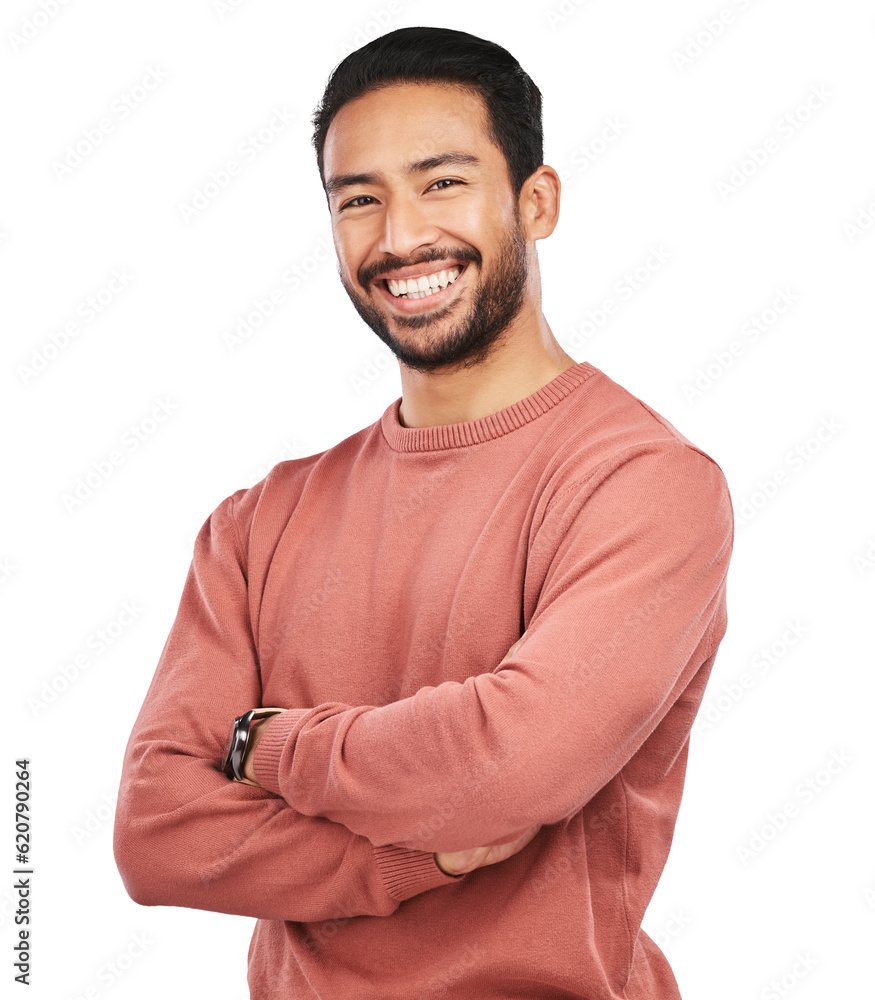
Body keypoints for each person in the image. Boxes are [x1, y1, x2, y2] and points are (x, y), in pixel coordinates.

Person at [113, 25, 734, 1000]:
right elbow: (157, 831)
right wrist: (412, 861)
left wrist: (269, 745)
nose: (399, 238)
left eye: (440, 182)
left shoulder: (644, 484)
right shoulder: (254, 521)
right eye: (358, 199)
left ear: (536, 202)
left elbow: (513, 765)